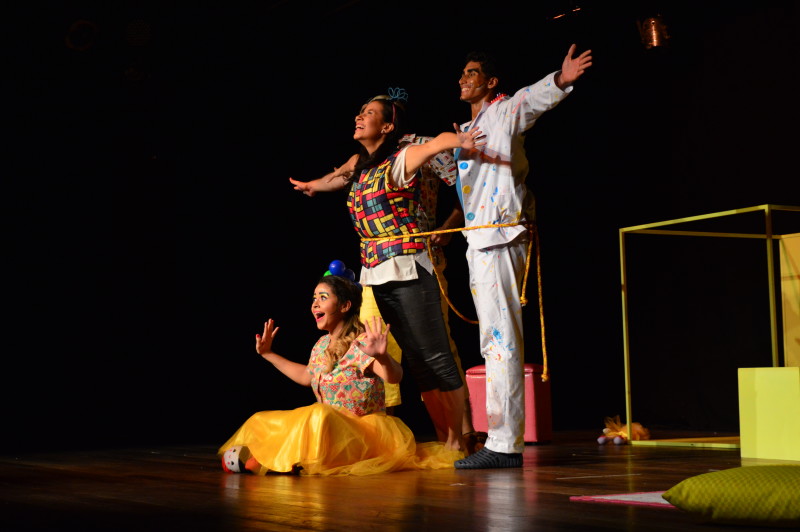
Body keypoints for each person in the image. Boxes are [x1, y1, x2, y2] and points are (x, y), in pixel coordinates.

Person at [288, 92, 485, 452]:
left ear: (389, 125)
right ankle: (447, 439)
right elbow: (338, 177)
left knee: (435, 356)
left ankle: (459, 437)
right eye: (360, 111)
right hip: (374, 273)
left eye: (370, 113)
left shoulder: (402, 156)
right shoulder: (360, 164)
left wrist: (461, 140)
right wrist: (312, 186)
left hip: (409, 267)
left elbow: (438, 143)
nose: (360, 117)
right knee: (417, 361)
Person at [451, 44, 593, 469]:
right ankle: (499, 437)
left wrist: (561, 79)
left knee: (501, 340)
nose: (463, 78)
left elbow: (531, 101)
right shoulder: (468, 127)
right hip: (479, 241)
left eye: (472, 72)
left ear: (491, 82)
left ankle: (504, 443)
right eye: (462, 72)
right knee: (489, 339)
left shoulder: (502, 111)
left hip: (501, 236)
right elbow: (467, 186)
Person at [218, 273, 463, 476]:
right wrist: (268, 354)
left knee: (320, 415)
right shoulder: (321, 345)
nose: (314, 303)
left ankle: (273, 463)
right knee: (264, 418)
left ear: (345, 306)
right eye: (314, 298)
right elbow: (306, 376)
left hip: (364, 435)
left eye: (323, 298)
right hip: (328, 430)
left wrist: (381, 356)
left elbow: (394, 377)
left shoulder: (362, 342)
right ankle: (279, 459)